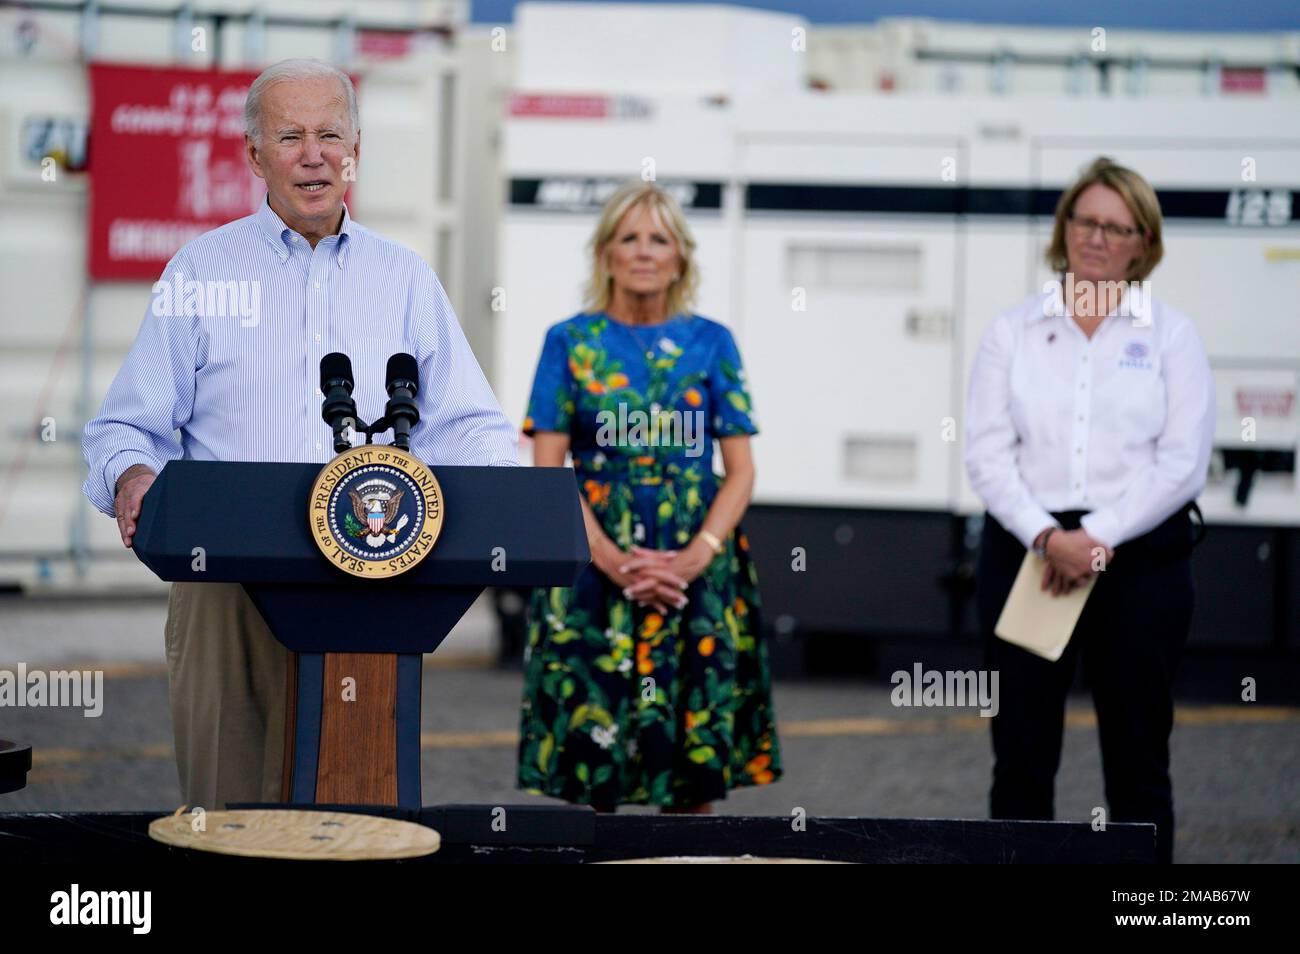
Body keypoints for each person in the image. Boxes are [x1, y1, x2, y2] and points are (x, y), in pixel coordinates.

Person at [81, 58, 518, 810]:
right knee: (227, 804)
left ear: (356, 150)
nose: (313, 154)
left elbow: (467, 423)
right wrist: (132, 476)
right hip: (223, 578)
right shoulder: (201, 270)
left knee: (351, 804)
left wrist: (502, 505)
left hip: (375, 574)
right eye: (290, 136)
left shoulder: (406, 278)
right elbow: (128, 424)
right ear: (255, 156)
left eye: (330, 135)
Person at [964, 156, 1216, 863]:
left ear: (1144, 241)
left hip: (1140, 563)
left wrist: (1094, 538)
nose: (1096, 237)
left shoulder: (1171, 335)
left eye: (1116, 225)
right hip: (1028, 555)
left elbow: (1182, 462)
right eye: (1085, 220)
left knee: (1138, 761)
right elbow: (986, 453)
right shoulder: (1014, 330)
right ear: (1064, 226)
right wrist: (1050, 538)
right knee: (1020, 757)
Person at [516, 181, 782, 812]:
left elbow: (740, 470)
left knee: (692, 775)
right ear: (604, 253)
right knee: (595, 761)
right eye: (627, 237)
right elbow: (547, 469)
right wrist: (615, 563)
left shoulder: (712, 342)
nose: (642, 251)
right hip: (590, 566)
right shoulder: (569, 342)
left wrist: (693, 558)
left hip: (697, 571)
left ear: (680, 257)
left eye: (658, 238)